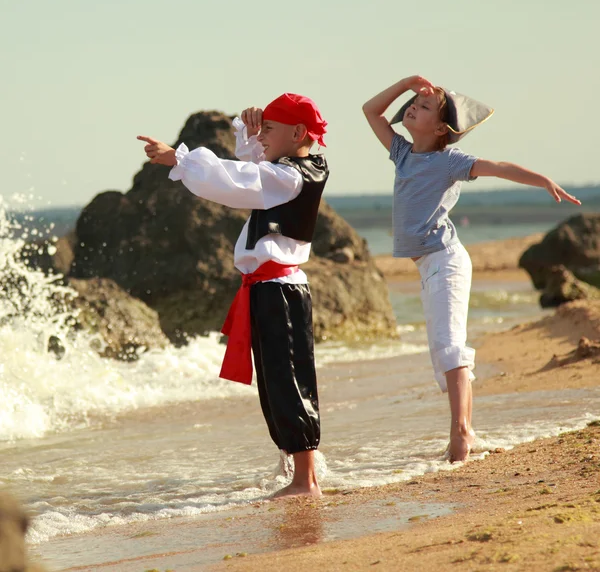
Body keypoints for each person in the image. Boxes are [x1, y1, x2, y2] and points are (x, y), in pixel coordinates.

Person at [362, 75, 580, 463]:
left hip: (446, 261)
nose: (413, 105)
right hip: (427, 266)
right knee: (440, 352)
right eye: (414, 102)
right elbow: (371, 111)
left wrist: (542, 180)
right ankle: (465, 430)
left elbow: (498, 167)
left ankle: (461, 436)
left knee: (449, 347)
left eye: (424, 106)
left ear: (442, 127)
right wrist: (409, 82)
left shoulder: (450, 162)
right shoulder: (401, 152)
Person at [137, 93, 328, 497]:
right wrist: (253, 131)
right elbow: (255, 168)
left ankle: (305, 479)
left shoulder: (291, 176)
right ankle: (292, 468)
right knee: (274, 383)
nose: (262, 140)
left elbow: (241, 180)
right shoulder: (287, 170)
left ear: (297, 133)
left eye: (270, 132)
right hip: (269, 290)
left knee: (288, 381)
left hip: (281, 292)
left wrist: (181, 160)